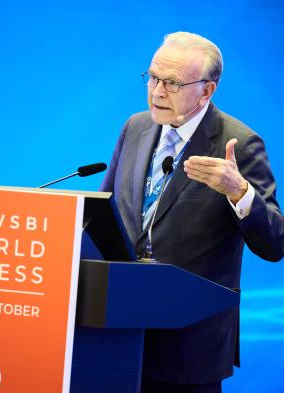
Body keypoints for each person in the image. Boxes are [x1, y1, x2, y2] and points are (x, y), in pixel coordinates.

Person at [100, 32, 284, 393]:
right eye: (152, 78)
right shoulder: (136, 126)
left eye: (171, 83)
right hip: (116, 331)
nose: (156, 92)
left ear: (207, 90)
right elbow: (104, 213)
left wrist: (239, 191)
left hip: (187, 346)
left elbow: (275, 243)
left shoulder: (239, 143)